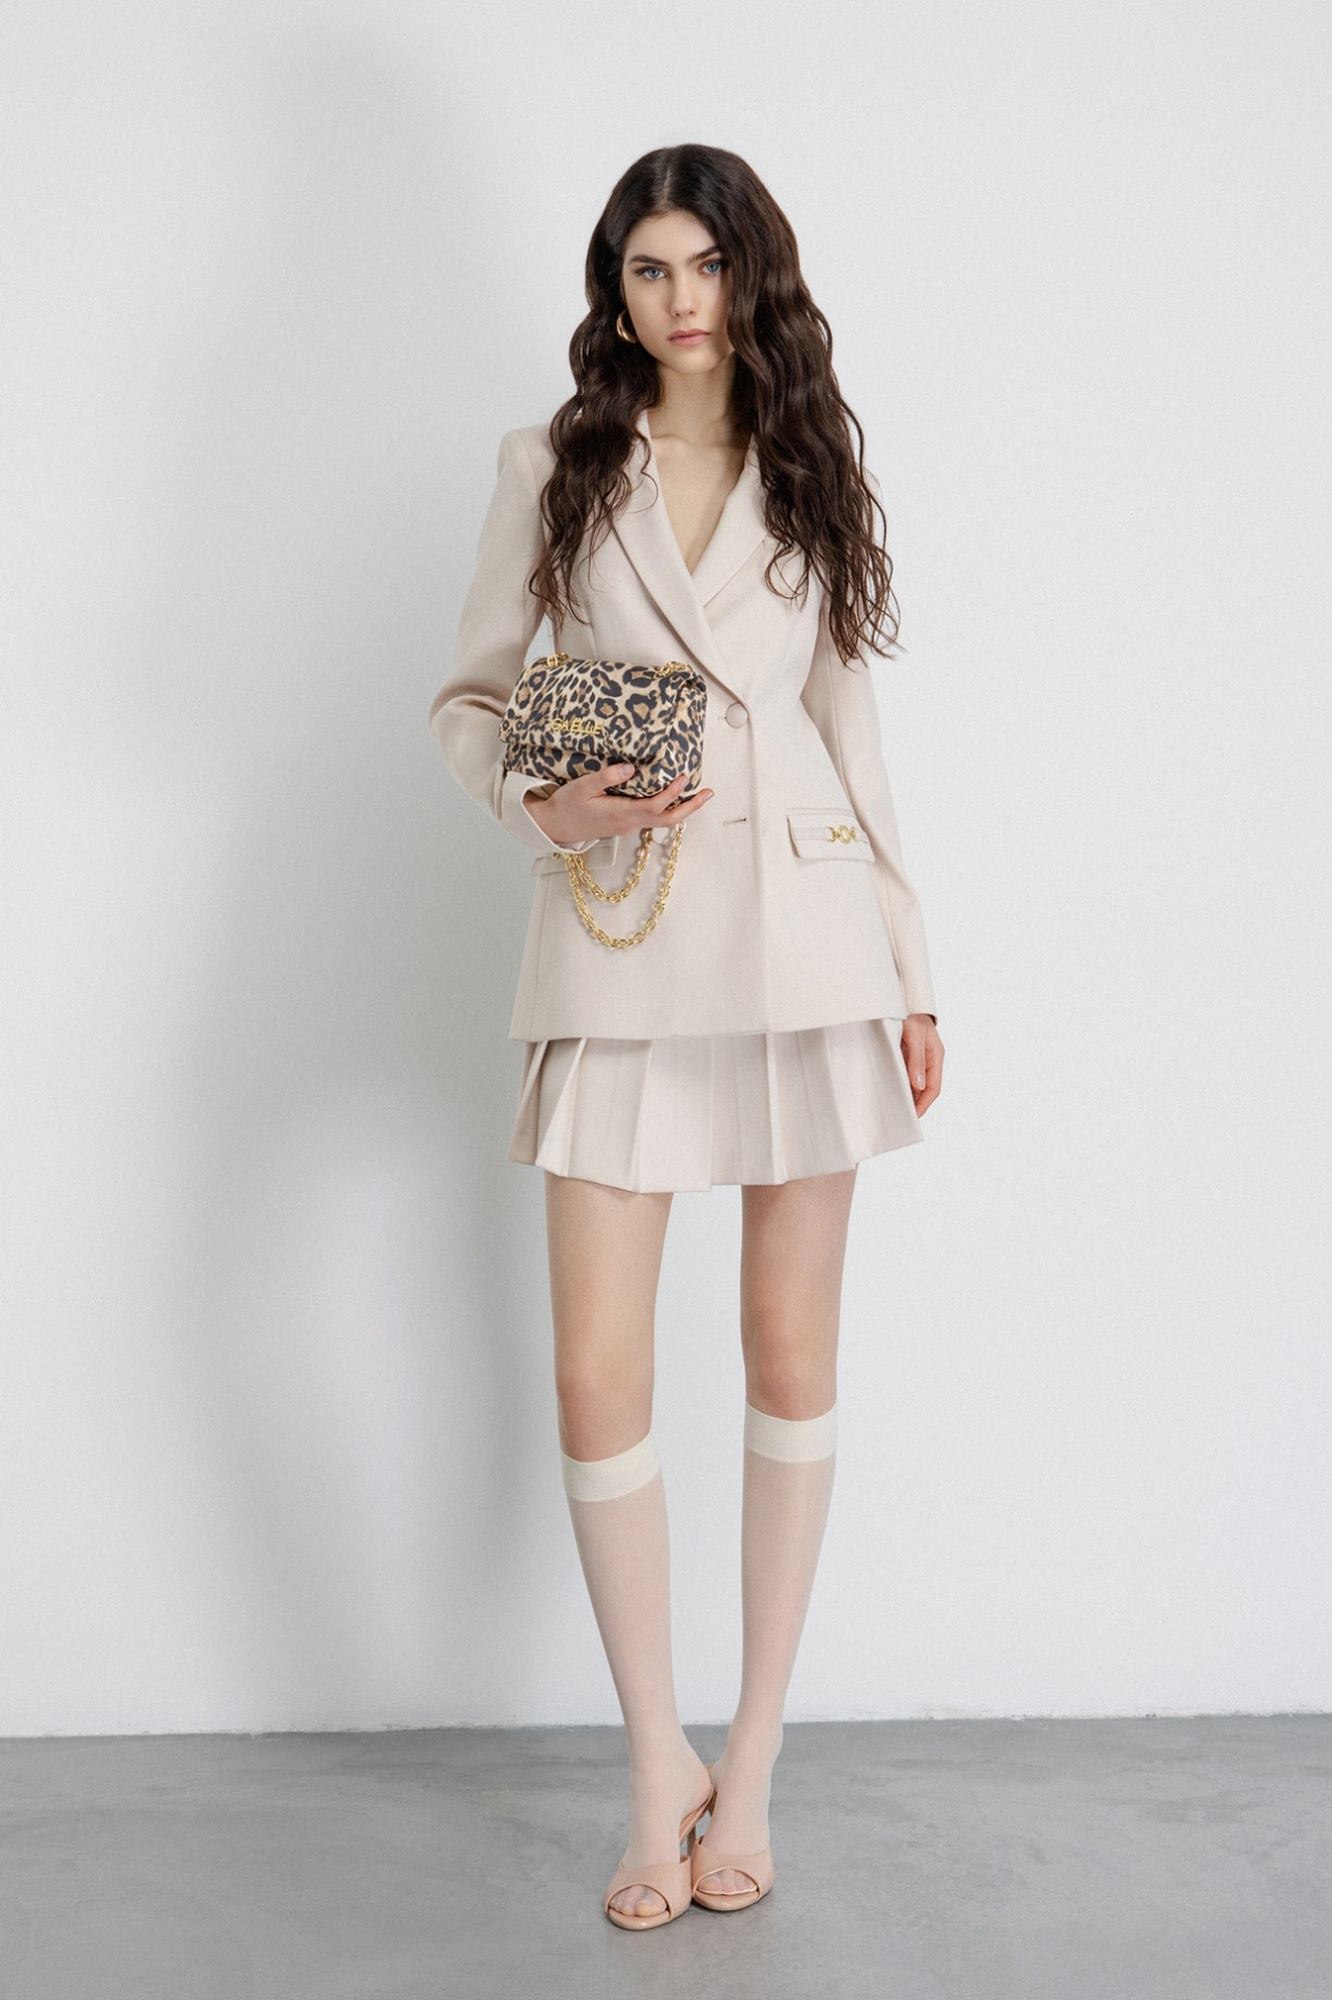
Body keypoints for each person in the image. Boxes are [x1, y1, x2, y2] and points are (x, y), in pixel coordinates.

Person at [430, 143, 943, 1929]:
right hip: (621, 928)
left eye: (707, 265)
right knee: (597, 1375)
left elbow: (849, 728)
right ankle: (659, 1764)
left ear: (751, 275)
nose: (682, 299)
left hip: (811, 940)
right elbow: (470, 695)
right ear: (617, 291)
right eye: (649, 269)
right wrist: (541, 803)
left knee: (789, 1354)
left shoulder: (812, 460)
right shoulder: (553, 464)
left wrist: (914, 969)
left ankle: (759, 1760)